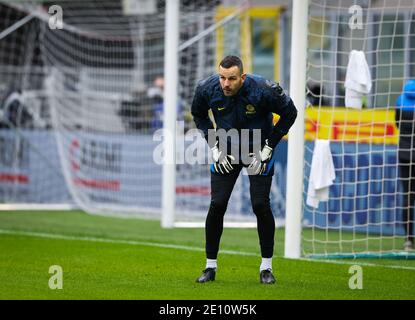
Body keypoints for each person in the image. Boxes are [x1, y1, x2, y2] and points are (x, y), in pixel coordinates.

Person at [191, 55, 297, 284]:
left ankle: (266, 268)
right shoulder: (206, 88)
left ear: (243, 77)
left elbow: (291, 113)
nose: (226, 84)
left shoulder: (264, 89)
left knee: (260, 205)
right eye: (222, 78)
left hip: (258, 150)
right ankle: (210, 267)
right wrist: (214, 146)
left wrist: (269, 146)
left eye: (231, 78)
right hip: (226, 151)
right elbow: (198, 115)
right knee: (217, 204)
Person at [395, 79, 415, 251]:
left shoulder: (400, 101)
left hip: (404, 154)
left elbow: (397, 124)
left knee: (408, 196)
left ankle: (408, 239)